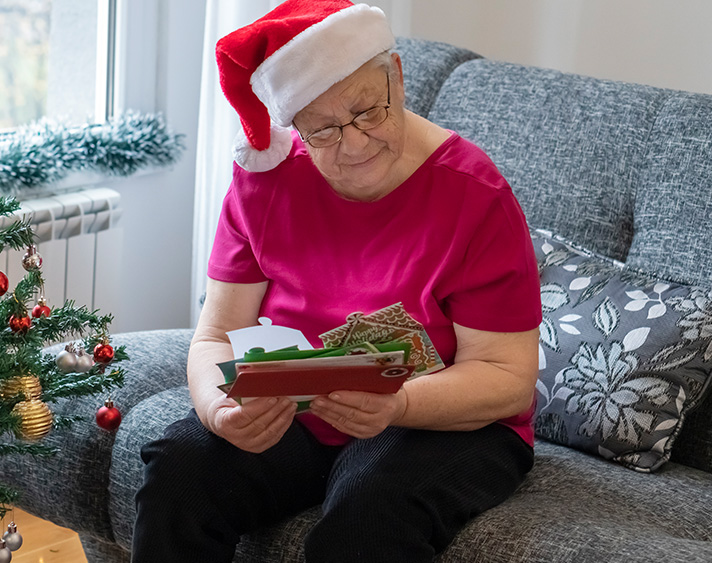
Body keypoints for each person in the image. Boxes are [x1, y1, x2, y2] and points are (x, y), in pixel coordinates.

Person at [132, 1, 542, 561]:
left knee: (364, 520)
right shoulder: (265, 179)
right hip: (306, 408)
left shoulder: (475, 196)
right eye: (322, 130)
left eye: (369, 111)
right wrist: (217, 410)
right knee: (179, 472)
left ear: (395, 76)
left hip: (449, 416)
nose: (354, 145)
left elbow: (507, 378)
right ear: (292, 126)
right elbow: (216, 335)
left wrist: (399, 405)